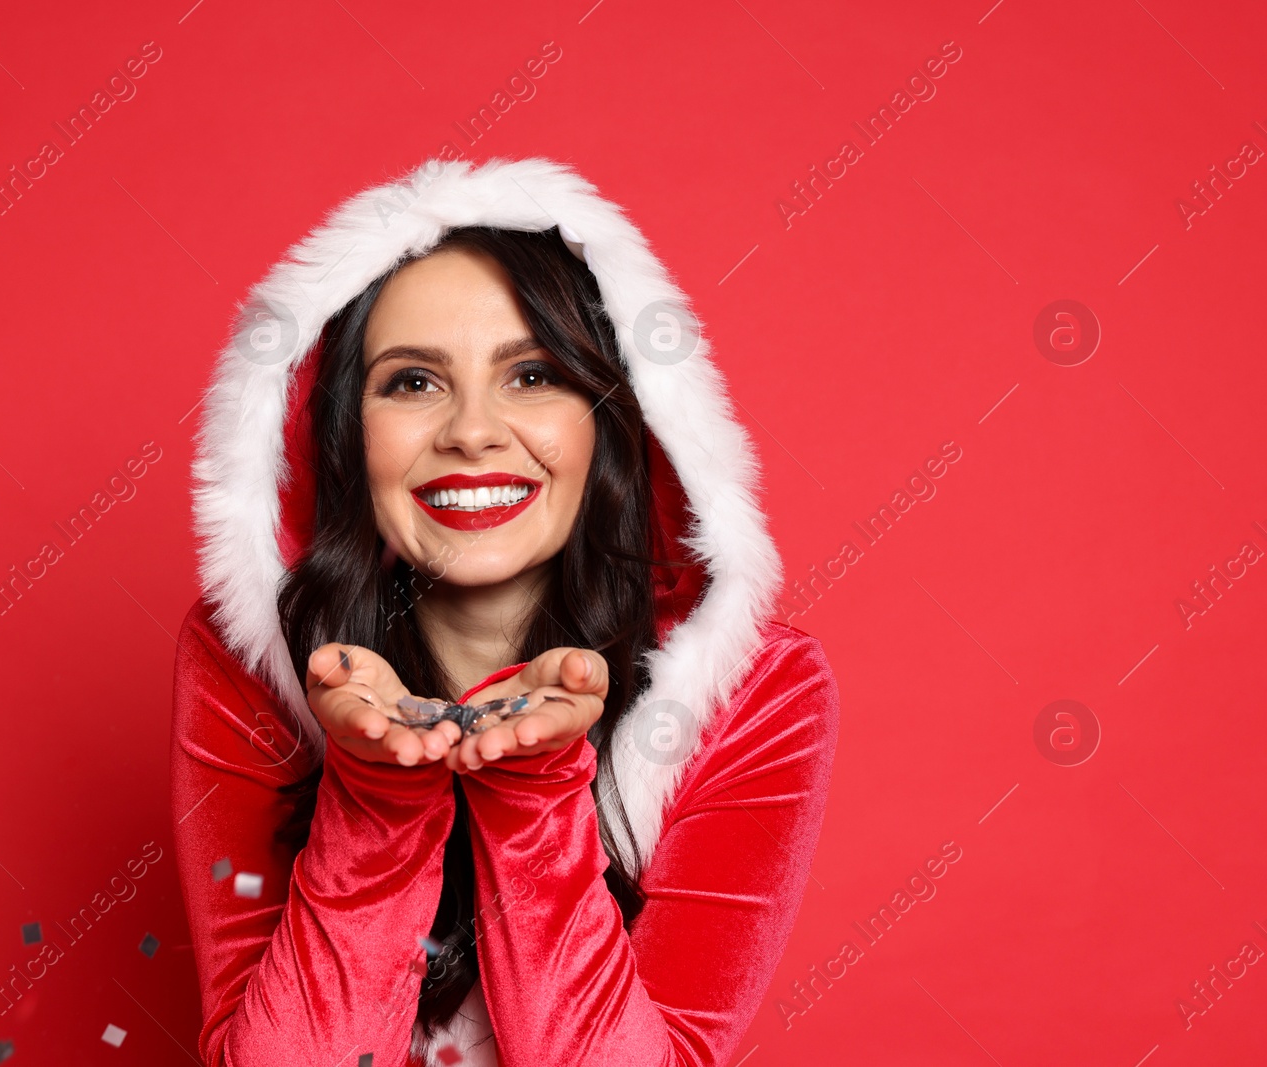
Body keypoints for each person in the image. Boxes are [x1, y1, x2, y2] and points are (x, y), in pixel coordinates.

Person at [171, 156, 840, 1066]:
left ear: (611, 417)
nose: (473, 430)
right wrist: (378, 793)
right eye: (413, 381)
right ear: (341, 434)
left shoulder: (751, 694)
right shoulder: (251, 667)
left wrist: (532, 790)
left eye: (531, 376)